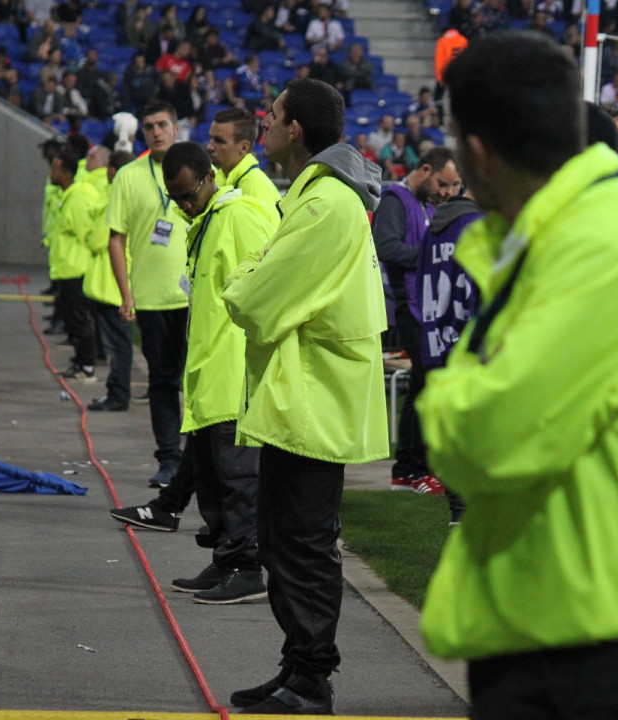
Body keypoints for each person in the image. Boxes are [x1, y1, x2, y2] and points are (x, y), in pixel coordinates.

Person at [416, 32, 618, 719]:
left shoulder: (603, 244)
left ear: (476, 152)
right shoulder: (565, 234)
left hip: (587, 617)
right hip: (559, 597)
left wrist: (445, 403)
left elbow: (485, 435)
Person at [221, 78, 387, 714]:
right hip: (304, 398)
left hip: (313, 401)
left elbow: (254, 298)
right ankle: (298, 667)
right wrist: (256, 275)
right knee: (283, 540)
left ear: (295, 130)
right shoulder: (316, 198)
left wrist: (248, 278)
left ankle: (312, 678)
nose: (264, 122)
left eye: (272, 114)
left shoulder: (323, 207)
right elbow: (266, 282)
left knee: (302, 545)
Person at [110, 142, 276, 604]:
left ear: (209, 177)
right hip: (207, 372)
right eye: (175, 197)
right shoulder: (204, 223)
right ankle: (226, 560)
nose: (183, 204)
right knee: (211, 476)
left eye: (188, 194)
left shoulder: (239, 216)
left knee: (237, 476)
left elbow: (268, 282)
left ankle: (247, 567)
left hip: (232, 370)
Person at [107, 100, 190, 488]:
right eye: (149, 127)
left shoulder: (197, 167)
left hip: (195, 297)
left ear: (176, 128)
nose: (156, 132)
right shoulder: (128, 176)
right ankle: (170, 458)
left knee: (202, 384)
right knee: (162, 382)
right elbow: (116, 239)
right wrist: (126, 294)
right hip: (153, 298)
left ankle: (201, 459)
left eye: (162, 124)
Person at [374, 146, 461, 493]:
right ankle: (412, 468)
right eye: (443, 183)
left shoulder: (424, 206)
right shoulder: (395, 200)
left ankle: (408, 470)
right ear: (425, 169)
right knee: (424, 385)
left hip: (423, 306)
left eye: (453, 187)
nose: (446, 192)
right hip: (406, 306)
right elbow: (386, 247)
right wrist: (432, 257)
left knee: (422, 385)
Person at [415, 186, 481, 527]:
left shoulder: (433, 228)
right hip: (468, 349)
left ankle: (458, 515)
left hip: (435, 343)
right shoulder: (477, 225)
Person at [84, 149, 135, 412]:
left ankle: (118, 394)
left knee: (118, 345)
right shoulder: (130, 197)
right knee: (119, 343)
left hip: (112, 285)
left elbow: (95, 240)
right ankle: (117, 392)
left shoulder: (113, 201)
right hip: (117, 283)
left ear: (113, 171)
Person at [47, 150, 102, 382]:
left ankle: (87, 365)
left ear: (66, 173)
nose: (50, 174)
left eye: (55, 169)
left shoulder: (78, 198)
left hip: (76, 269)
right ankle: (80, 361)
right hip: (66, 268)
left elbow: (86, 234)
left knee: (79, 319)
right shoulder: (69, 195)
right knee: (73, 319)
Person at [206, 107, 281, 223]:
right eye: (211, 139)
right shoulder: (218, 178)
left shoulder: (256, 188)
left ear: (244, 147)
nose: (210, 147)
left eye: (219, 141)